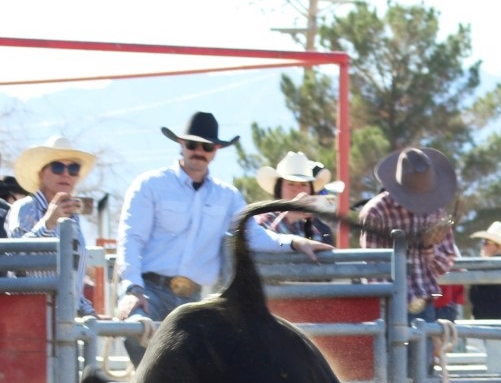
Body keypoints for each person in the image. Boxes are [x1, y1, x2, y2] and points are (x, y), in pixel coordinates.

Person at [116, 113, 331, 367]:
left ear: (215, 150)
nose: (199, 151)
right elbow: (131, 237)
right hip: (151, 292)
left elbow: (254, 235)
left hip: (194, 301)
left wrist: (294, 242)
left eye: (206, 146)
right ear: (181, 145)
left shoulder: (227, 196)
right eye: (192, 145)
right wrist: (133, 289)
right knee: (136, 330)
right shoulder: (150, 185)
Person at [358, 146, 458, 373]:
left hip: (425, 304)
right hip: (389, 308)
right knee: (393, 373)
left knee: (421, 374)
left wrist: (429, 248)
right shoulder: (376, 212)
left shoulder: (436, 211)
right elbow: (372, 270)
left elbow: (446, 261)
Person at [6, 136, 97, 313]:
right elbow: (15, 259)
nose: (66, 174)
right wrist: (48, 222)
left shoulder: (74, 217)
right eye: (57, 167)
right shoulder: (24, 207)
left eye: (73, 168)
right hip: (29, 314)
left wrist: (87, 311)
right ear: (41, 173)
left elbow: (75, 281)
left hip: (66, 316)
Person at [254, 150, 339, 244]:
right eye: (291, 184)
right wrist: (289, 217)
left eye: (304, 185)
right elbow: (261, 245)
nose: (298, 189)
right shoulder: (263, 219)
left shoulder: (320, 228)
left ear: (311, 191)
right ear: (279, 189)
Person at [468, 220, 501, 321]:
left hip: (492, 328)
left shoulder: (490, 268)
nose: (482, 246)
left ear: (499, 247)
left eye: (486, 242)